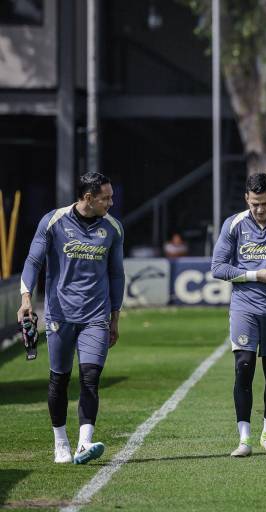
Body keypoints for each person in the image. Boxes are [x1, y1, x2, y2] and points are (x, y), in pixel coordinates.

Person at [18, 172, 124, 464]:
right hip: (59, 315)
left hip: (96, 316)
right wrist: (26, 298)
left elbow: (116, 275)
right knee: (60, 379)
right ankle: (61, 443)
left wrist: (115, 317)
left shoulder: (113, 228)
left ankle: (84, 444)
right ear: (88, 197)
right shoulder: (53, 221)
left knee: (90, 378)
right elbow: (33, 260)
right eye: (106, 198)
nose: (111, 203)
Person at [211, 173, 266, 456]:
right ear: (246, 199)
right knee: (244, 367)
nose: (259, 209)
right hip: (244, 307)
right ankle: (244, 439)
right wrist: (255, 275)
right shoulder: (234, 224)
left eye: (264, 203)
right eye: (254, 204)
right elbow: (218, 268)